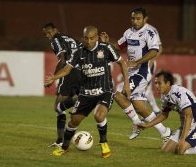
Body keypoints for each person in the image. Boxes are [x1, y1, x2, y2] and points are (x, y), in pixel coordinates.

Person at [45, 25, 132, 158]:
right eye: (86, 38)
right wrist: (54, 77)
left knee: (99, 116)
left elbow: (122, 63)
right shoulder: (79, 51)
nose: (89, 41)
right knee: (73, 122)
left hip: (105, 90)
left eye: (92, 38)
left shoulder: (106, 48)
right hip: (86, 93)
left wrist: (126, 84)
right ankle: (64, 147)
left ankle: (104, 143)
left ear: (96, 37)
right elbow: (67, 69)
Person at [100, 7, 171, 142]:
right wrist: (106, 43)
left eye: (138, 19)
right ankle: (165, 132)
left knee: (119, 96)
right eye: (133, 18)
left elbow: (154, 51)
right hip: (131, 72)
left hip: (141, 72)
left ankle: (137, 124)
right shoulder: (128, 33)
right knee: (139, 106)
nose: (135, 21)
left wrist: (137, 62)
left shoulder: (149, 33)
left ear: (144, 19)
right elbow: (118, 46)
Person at [137, 70, 196, 155]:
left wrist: (182, 138)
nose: (157, 86)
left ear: (168, 83)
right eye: (155, 83)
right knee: (166, 150)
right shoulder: (165, 96)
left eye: (159, 83)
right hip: (186, 125)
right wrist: (147, 125)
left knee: (180, 150)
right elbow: (164, 115)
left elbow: (189, 115)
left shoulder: (178, 93)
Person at [43, 23, 81, 147]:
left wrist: (53, 77)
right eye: (46, 34)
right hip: (81, 72)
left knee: (58, 106)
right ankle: (61, 141)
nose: (48, 36)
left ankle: (60, 141)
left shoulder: (56, 40)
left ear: (55, 30)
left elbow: (62, 60)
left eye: (49, 32)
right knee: (68, 109)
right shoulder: (70, 38)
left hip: (69, 72)